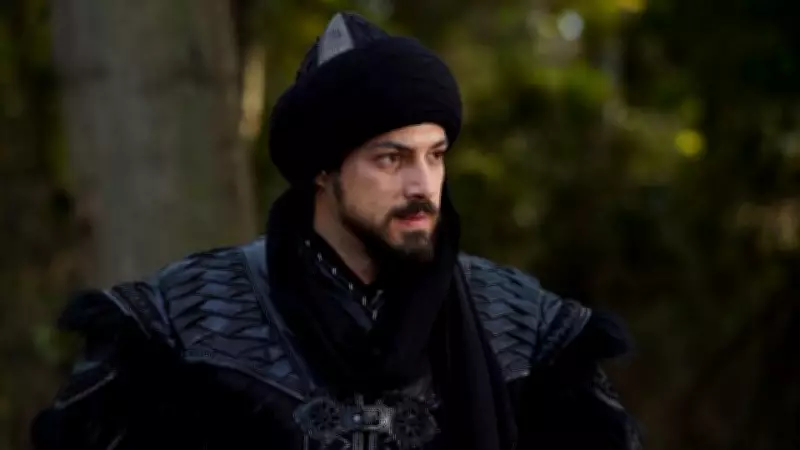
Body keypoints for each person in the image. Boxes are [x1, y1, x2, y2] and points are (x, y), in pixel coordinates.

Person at [31, 12, 642, 450]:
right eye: (391, 159)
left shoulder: (522, 327)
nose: (423, 185)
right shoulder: (183, 321)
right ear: (323, 172)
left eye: (435, 155)